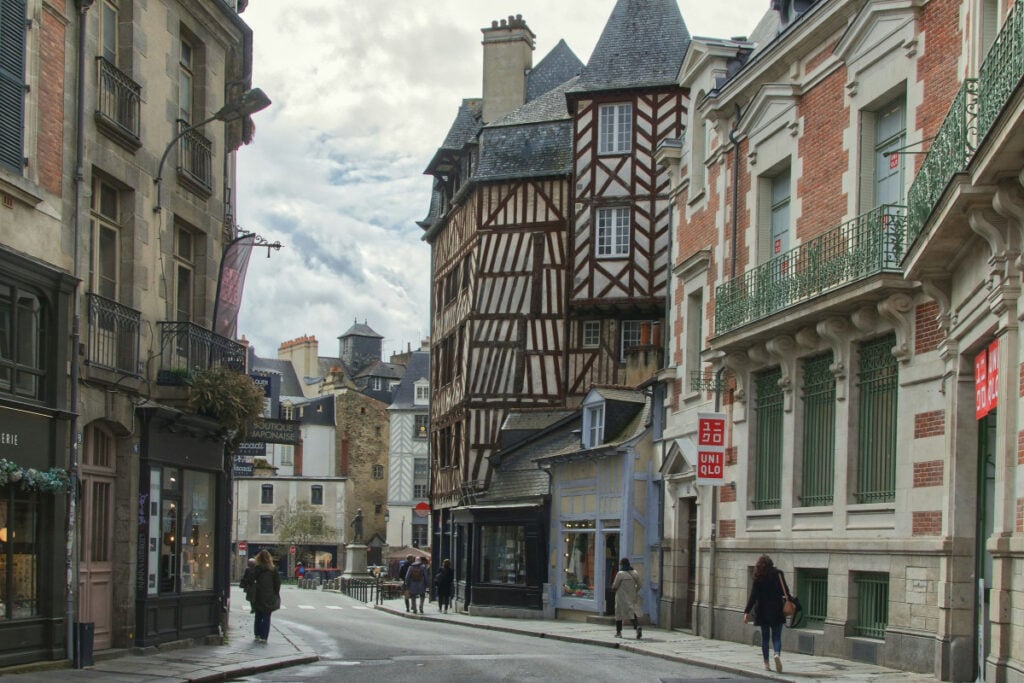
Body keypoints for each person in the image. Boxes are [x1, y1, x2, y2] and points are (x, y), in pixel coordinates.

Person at [743, 554, 789, 673]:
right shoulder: (778, 574)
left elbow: (753, 596)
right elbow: (786, 591)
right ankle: (777, 653)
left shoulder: (758, 576)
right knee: (777, 637)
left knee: (765, 638)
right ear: (771, 563)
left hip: (763, 611)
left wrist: (747, 612)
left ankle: (766, 663)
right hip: (777, 610)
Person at [250, 549, 282, 644]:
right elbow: (277, 583)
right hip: (269, 595)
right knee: (266, 616)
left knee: (258, 615)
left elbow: (251, 579)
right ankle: (264, 637)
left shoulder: (257, 568)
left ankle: (257, 634)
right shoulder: (273, 570)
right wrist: (275, 593)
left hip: (258, 595)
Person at [611, 557, 642, 639]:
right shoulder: (635, 573)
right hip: (631, 596)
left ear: (622, 564)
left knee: (619, 613)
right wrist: (634, 591)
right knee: (631, 612)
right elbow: (639, 585)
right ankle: (637, 627)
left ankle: (618, 632)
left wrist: (613, 589)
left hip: (621, 596)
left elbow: (615, 585)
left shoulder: (620, 573)